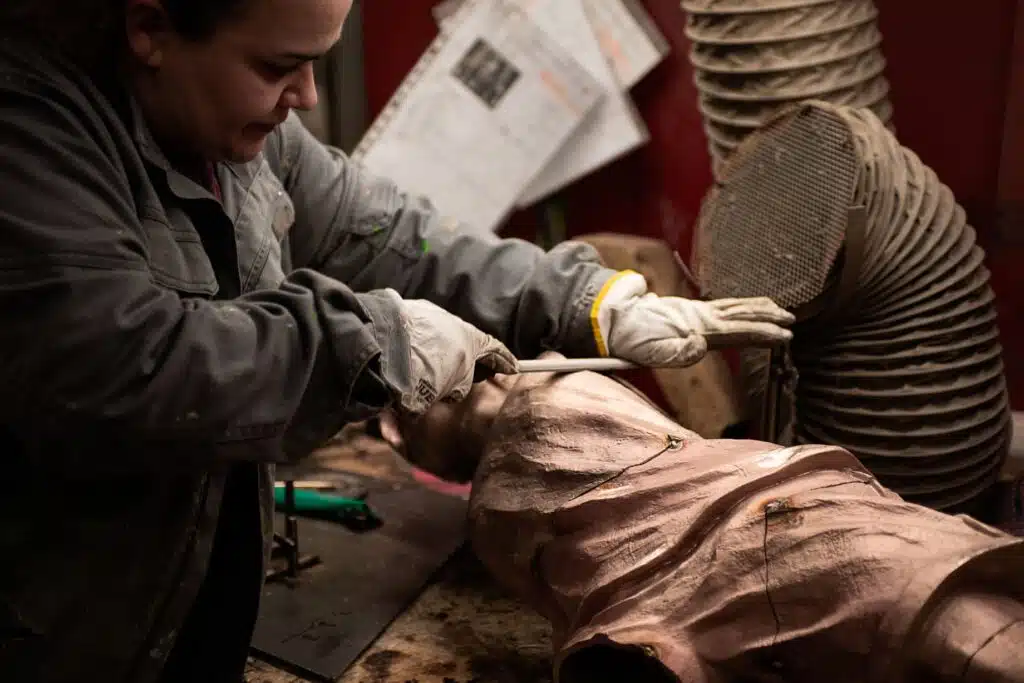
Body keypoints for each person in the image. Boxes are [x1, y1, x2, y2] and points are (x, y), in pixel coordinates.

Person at [0, 1, 794, 681]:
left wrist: (592, 302)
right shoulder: (30, 139)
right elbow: (130, 361)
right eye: (278, 66)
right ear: (150, 29)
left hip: (190, 618)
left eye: (317, 63)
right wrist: (373, 341)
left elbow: (389, 235)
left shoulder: (233, 133)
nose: (306, 97)